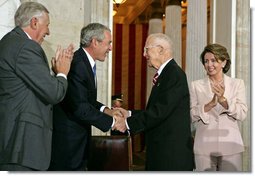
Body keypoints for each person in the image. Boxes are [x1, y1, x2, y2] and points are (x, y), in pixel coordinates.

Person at [0, 2, 74, 171]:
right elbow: (54, 93)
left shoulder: (10, 42)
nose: (48, 31)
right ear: (34, 22)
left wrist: (55, 74)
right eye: (47, 25)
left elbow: (35, 87)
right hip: (22, 146)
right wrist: (62, 73)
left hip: (15, 145)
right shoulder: (26, 46)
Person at [113, 33, 194, 171]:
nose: (144, 54)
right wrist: (129, 114)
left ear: (160, 50)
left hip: (170, 157)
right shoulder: (166, 73)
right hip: (162, 152)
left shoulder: (174, 74)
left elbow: (160, 111)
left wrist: (126, 124)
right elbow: (158, 109)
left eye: (146, 49)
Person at [49, 23, 121, 171]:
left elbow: (86, 100)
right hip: (69, 144)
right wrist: (113, 122)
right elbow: (80, 107)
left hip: (77, 142)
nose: (110, 48)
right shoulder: (78, 64)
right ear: (95, 42)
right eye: (109, 43)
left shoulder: (85, 62)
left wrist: (106, 110)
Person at [189, 43, 248, 171]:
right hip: (204, 147)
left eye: (213, 60)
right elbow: (190, 115)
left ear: (223, 62)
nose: (209, 65)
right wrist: (209, 105)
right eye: (206, 61)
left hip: (231, 146)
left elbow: (242, 113)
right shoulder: (195, 85)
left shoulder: (237, 84)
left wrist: (223, 101)